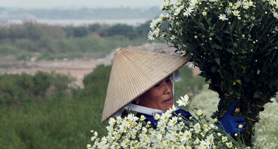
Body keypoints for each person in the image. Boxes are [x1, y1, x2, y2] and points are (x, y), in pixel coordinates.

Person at [102, 48, 244, 136]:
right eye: (157, 85)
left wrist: (215, 133)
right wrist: (219, 133)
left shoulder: (180, 115)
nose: (168, 90)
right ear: (137, 97)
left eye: (168, 80)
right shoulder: (144, 129)